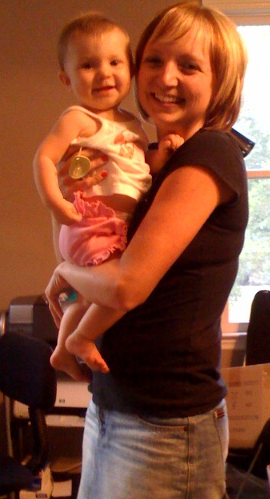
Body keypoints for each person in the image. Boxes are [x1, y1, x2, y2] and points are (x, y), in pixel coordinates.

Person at [45, 3, 248, 499]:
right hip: (118, 396)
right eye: (154, 60)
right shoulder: (155, 154)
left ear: (220, 80)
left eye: (189, 65)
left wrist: (64, 270)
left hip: (168, 416)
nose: (165, 77)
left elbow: (127, 285)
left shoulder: (209, 157)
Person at [34, 12, 182, 381]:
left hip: (115, 226)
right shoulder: (78, 118)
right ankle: (81, 339)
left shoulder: (133, 123)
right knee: (123, 287)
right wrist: (55, 201)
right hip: (93, 223)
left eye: (115, 62)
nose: (104, 73)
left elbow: (136, 168)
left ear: (129, 70)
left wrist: (161, 157)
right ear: (66, 78)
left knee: (89, 296)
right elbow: (44, 158)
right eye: (88, 65)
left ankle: (61, 350)